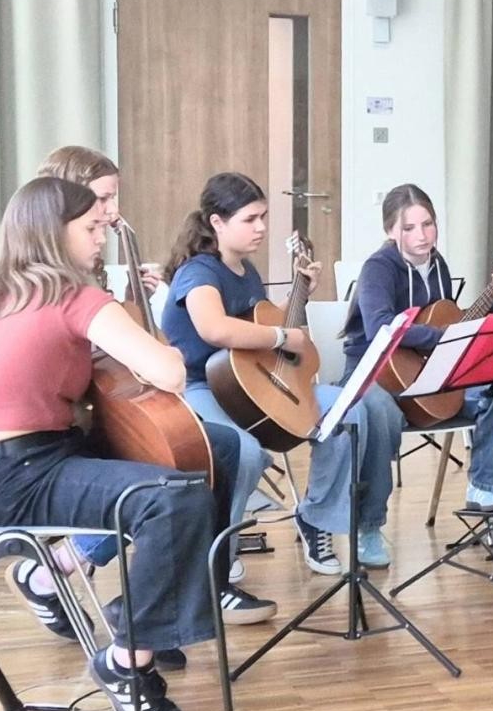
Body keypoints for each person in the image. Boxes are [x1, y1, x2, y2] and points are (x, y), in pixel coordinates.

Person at [0, 177, 217, 711]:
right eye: (89, 228)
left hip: (4, 472)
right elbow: (170, 374)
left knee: (212, 450)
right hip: (27, 473)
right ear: (52, 234)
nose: (100, 239)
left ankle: (163, 622)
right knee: (176, 499)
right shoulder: (74, 296)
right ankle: (128, 659)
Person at [21, 145, 276, 626]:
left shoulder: (86, 272)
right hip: (63, 428)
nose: (113, 214)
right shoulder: (54, 282)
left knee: (212, 448)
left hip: (97, 406)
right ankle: (119, 595)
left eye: (114, 199)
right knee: (181, 465)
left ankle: (194, 587)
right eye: (103, 200)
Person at [161, 173, 402, 575]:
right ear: (217, 223)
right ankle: (221, 547)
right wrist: (279, 336)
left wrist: (299, 293)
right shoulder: (199, 272)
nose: (261, 227)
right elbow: (215, 329)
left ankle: (317, 518)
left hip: (252, 385)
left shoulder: (246, 272)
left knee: (349, 412)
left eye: (263, 217)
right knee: (246, 453)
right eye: (250, 219)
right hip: (202, 386)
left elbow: (266, 321)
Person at [343, 184, 493, 509]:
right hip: (373, 374)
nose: (422, 235)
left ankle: (485, 489)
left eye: (428, 224)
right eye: (409, 228)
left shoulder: (438, 265)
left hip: (427, 373)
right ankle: (369, 523)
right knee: (380, 413)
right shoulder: (378, 268)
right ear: (389, 230)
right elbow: (380, 326)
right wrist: (441, 339)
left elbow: (451, 321)